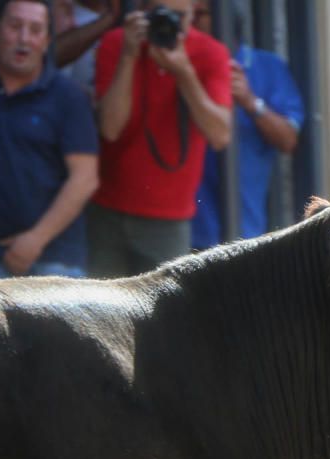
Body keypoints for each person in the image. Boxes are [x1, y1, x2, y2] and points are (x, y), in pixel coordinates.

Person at [90, 0, 231, 277]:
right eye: (159, 13)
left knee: (166, 314)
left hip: (169, 217)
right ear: (141, 10)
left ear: (193, 12)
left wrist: (184, 72)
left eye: (178, 16)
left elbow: (220, 136)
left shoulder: (210, 53)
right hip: (107, 209)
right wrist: (129, 56)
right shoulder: (116, 43)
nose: (169, 23)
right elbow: (110, 128)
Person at [0, 0, 99, 278]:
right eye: (15, 26)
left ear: (47, 41)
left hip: (55, 260)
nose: (24, 38)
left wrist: (35, 239)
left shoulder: (68, 96)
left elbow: (85, 179)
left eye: (35, 30)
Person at [190, 0, 304, 249]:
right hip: (181, 228)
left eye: (200, 14)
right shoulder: (177, 64)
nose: (190, 21)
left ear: (226, 21)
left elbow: (289, 140)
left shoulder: (267, 67)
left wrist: (251, 101)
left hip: (243, 232)